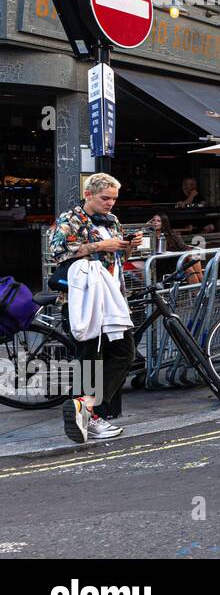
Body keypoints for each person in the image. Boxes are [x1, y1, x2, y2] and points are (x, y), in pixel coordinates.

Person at [49, 173, 144, 443]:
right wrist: (100, 245)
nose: (111, 203)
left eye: (114, 198)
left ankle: (86, 409)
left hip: (112, 298)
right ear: (89, 194)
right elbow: (56, 252)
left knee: (124, 353)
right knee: (91, 358)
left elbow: (115, 258)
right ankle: (90, 415)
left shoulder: (112, 220)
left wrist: (127, 247)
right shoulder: (71, 219)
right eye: (106, 198)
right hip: (83, 301)